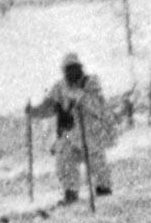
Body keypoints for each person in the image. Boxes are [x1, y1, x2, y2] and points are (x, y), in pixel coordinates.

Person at [26, 52, 117, 204]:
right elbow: (49, 106)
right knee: (64, 158)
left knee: (96, 159)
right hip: (68, 133)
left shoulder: (90, 83)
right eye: (67, 69)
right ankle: (71, 192)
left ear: (79, 68)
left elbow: (98, 107)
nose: (70, 72)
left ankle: (104, 188)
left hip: (88, 131)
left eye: (73, 68)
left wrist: (80, 97)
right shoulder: (60, 87)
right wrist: (34, 112)